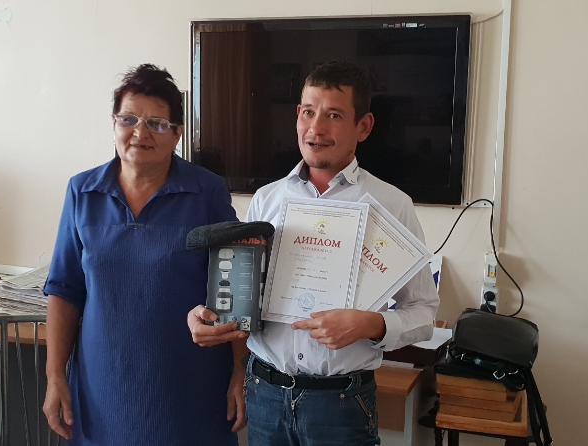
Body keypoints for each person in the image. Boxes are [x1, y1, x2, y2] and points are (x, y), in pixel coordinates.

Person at [188, 61, 440, 446]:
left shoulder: (392, 206)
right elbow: (243, 301)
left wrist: (370, 324)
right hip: (265, 394)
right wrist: (212, 316)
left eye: (333, 115)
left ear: (364, 126)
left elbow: (424, 314)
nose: (316, 128)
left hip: (341, 404)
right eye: (308, 112)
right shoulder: (267, 199)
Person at [42, 64, 245, 445]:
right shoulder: (82, 192)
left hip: (189, 386)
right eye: (129, 119)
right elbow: (64, 289)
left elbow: (235, 288)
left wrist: (240, 371)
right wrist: (55, 376)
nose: (140, 133)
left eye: (157, 124)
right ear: (114, 124)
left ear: (177, 133)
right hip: (103, 386)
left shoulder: (207, 192)